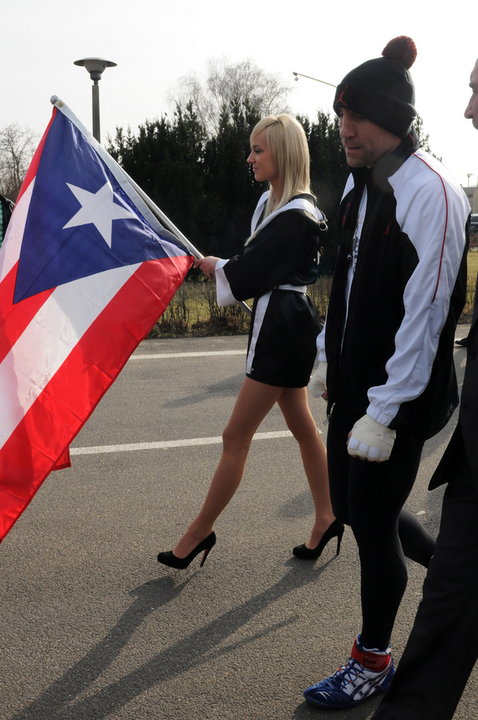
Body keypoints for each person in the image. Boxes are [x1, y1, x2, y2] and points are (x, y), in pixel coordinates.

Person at [303, 37, 470, 710]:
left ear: (394, 120)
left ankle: (372, 658)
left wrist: (388, 406)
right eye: (340, 111)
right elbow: (346, 285)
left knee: (370, 527)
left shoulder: (431, 192)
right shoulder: (360, 186)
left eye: (360, 114)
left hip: (401, 398)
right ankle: (453, 569)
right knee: (350, 507)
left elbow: (427, 309)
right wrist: (327, 356)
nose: (345, 127)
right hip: (357, 386)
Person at [157, 113, 342, 570]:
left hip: (282, 327)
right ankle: (327, 516)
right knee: (302, 427)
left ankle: (199, 533)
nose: (250, 157)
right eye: (252, 149)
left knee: (235, 434)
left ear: (282, 152)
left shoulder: (299, 213)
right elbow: (254, 262)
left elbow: (254, 267)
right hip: (278, 321)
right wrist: (228, 267)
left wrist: (222, 268)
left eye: (259, 149)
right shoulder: (272, 203)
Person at [370, 56, 478, 720]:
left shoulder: (436, 194)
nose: (467, 109)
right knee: (443, 619)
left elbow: (429, 304)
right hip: (472, 465)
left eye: (476, 90)